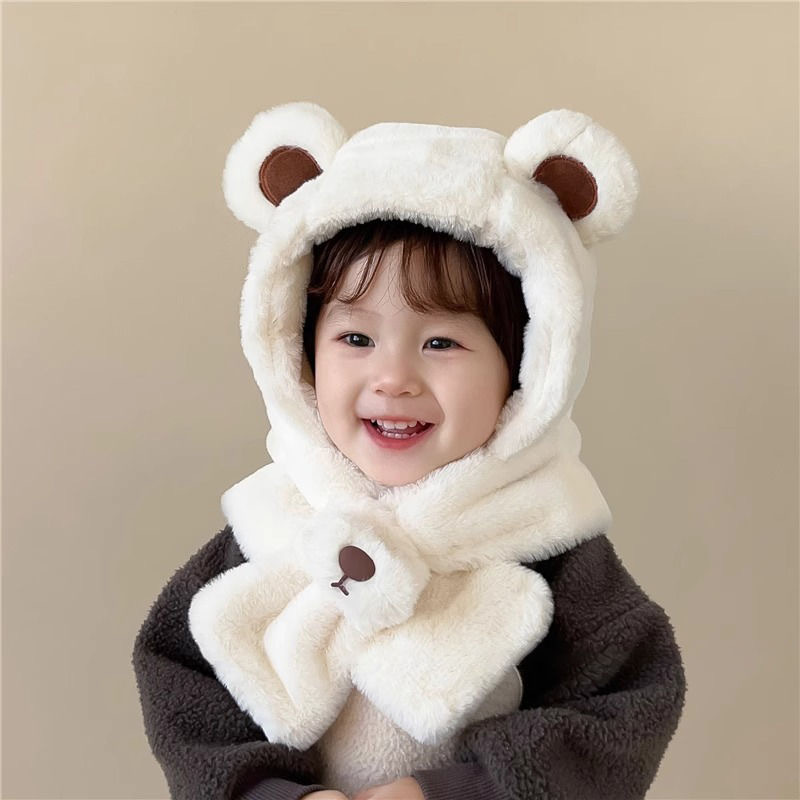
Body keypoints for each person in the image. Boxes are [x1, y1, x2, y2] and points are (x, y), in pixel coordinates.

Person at [132, 102, 687, 800]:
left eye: (441, 342)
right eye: (356, 339)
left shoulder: (544, 537)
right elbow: (184, 685)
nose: (393, 378)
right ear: (300, 353)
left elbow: (623, 710)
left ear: (527, 369)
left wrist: (454, 791)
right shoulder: (276, 522)